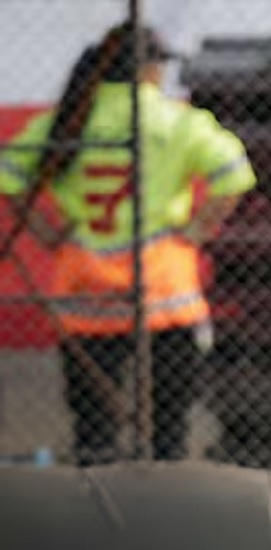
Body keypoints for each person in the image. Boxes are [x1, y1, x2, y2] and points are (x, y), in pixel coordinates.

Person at [0, 22, 257, 466]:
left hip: (87, 289)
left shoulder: (69, 118)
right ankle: (165, 490)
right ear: (148, 69)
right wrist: (197, 229)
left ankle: (98, 495)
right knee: (169, 421)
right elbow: (234, 175)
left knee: (94, 426)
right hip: (162, 290)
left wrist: (46, 232)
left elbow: (9, 174)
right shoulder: (176, 120)